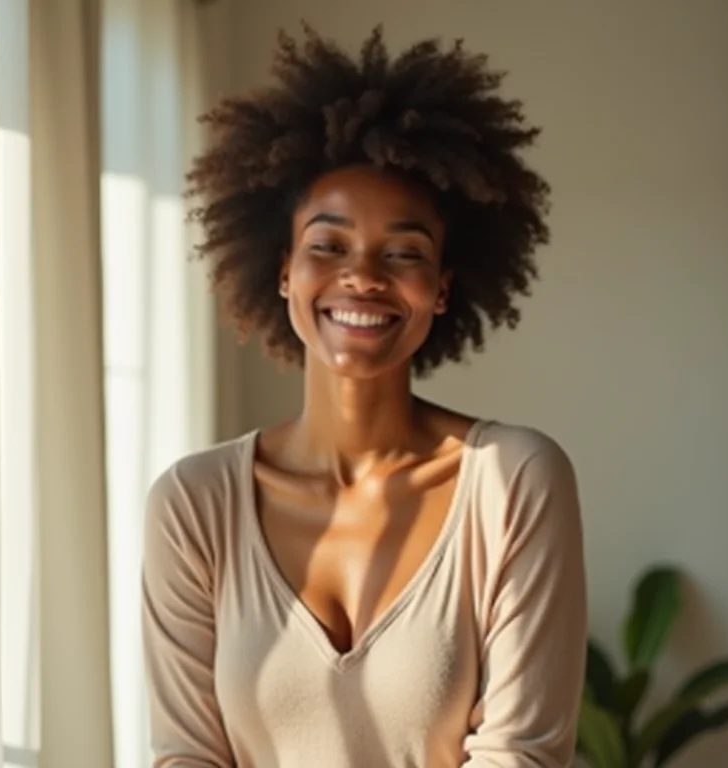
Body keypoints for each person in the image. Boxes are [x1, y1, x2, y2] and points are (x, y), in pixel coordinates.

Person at [142, 24, 587, 768]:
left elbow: (523, 757)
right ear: (283, 268)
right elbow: (183, 756)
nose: (363, 277)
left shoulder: (514, 481)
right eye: (329, 244)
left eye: (403, 253)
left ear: (441, 287)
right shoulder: (194, 505)